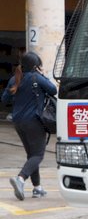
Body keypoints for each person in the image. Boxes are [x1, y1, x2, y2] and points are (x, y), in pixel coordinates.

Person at [2, 52, 57, 201]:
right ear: (35, 66)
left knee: (32, 155)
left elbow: (4, 99)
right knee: (38, 155)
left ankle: (37, 188)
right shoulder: (37, 78)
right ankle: (20, 179)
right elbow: (53, 90)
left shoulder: (15, 79)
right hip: (34, 122)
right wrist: (43, 75)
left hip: (18, 122)